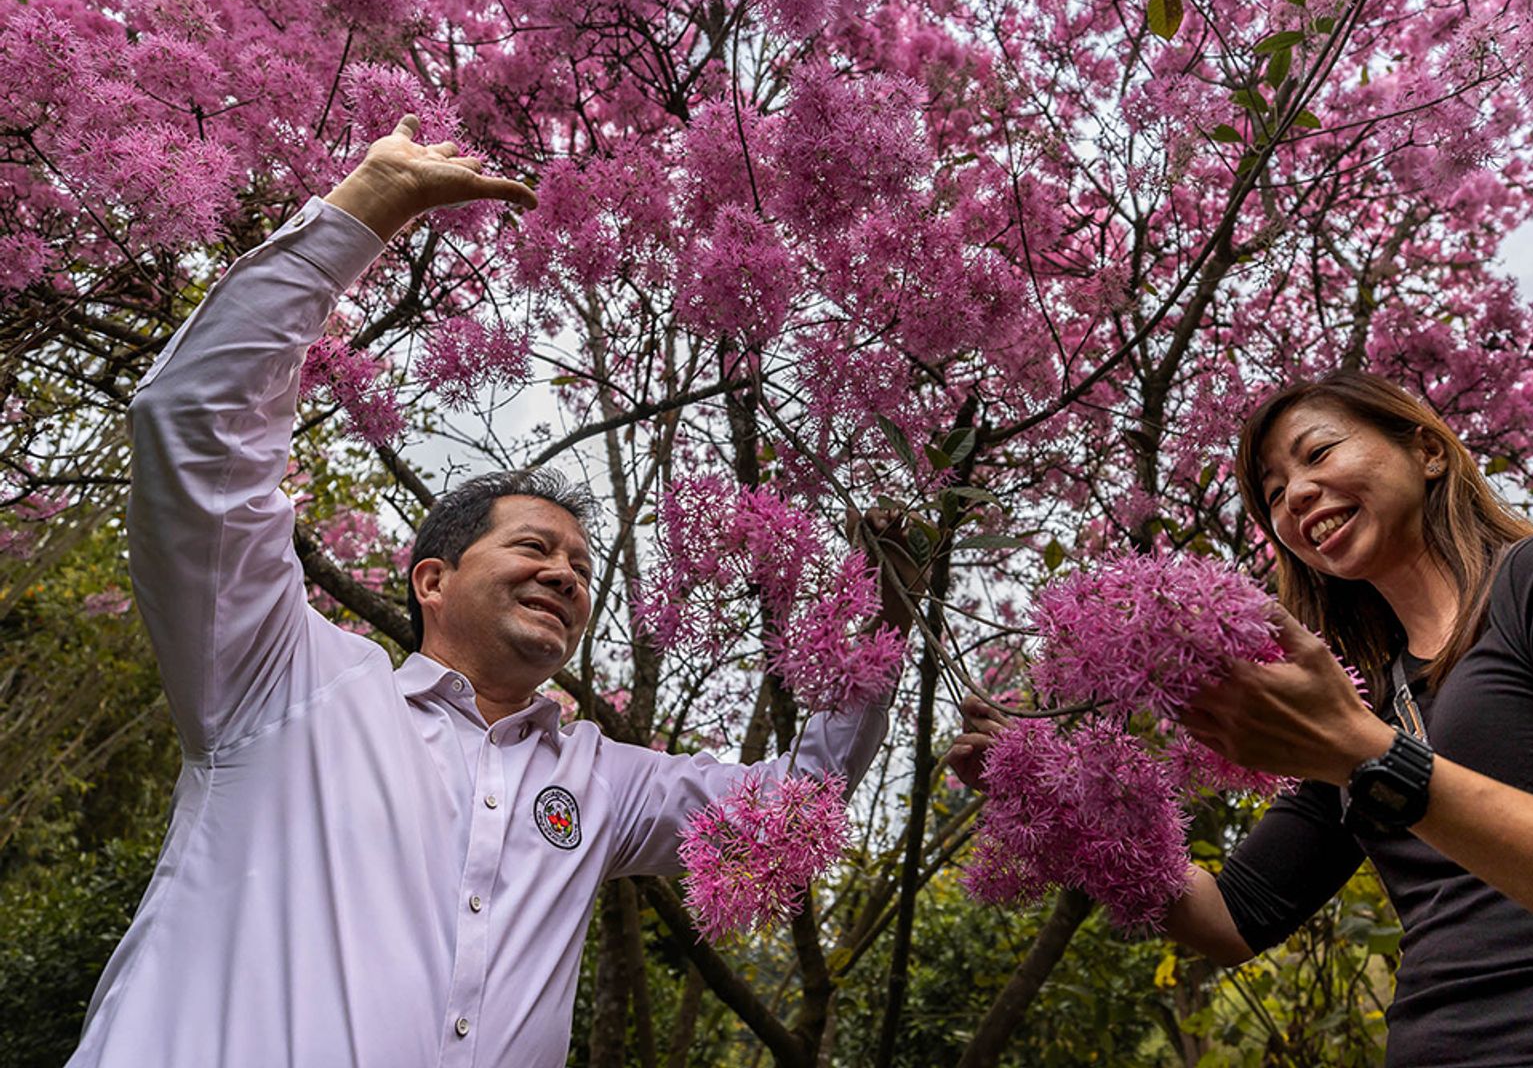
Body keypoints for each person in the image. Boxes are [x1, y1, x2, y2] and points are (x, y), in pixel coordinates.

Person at [70, 117, 913, 1068]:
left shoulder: (598, 782)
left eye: (583, 568)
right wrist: (365, 209)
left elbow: (795, 808)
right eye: (533, 547)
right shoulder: (283, 685)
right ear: (433, 579)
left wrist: (879, 620)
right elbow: (193, 429)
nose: (564, 574)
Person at [950, 371, 1533, 1066]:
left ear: (1425, 448)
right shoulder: (1367, 703)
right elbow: (1227, 917)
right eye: (1270, 492)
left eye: (1317, 453)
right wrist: (1070, 807)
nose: (1293, 495)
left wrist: (1381, 766)